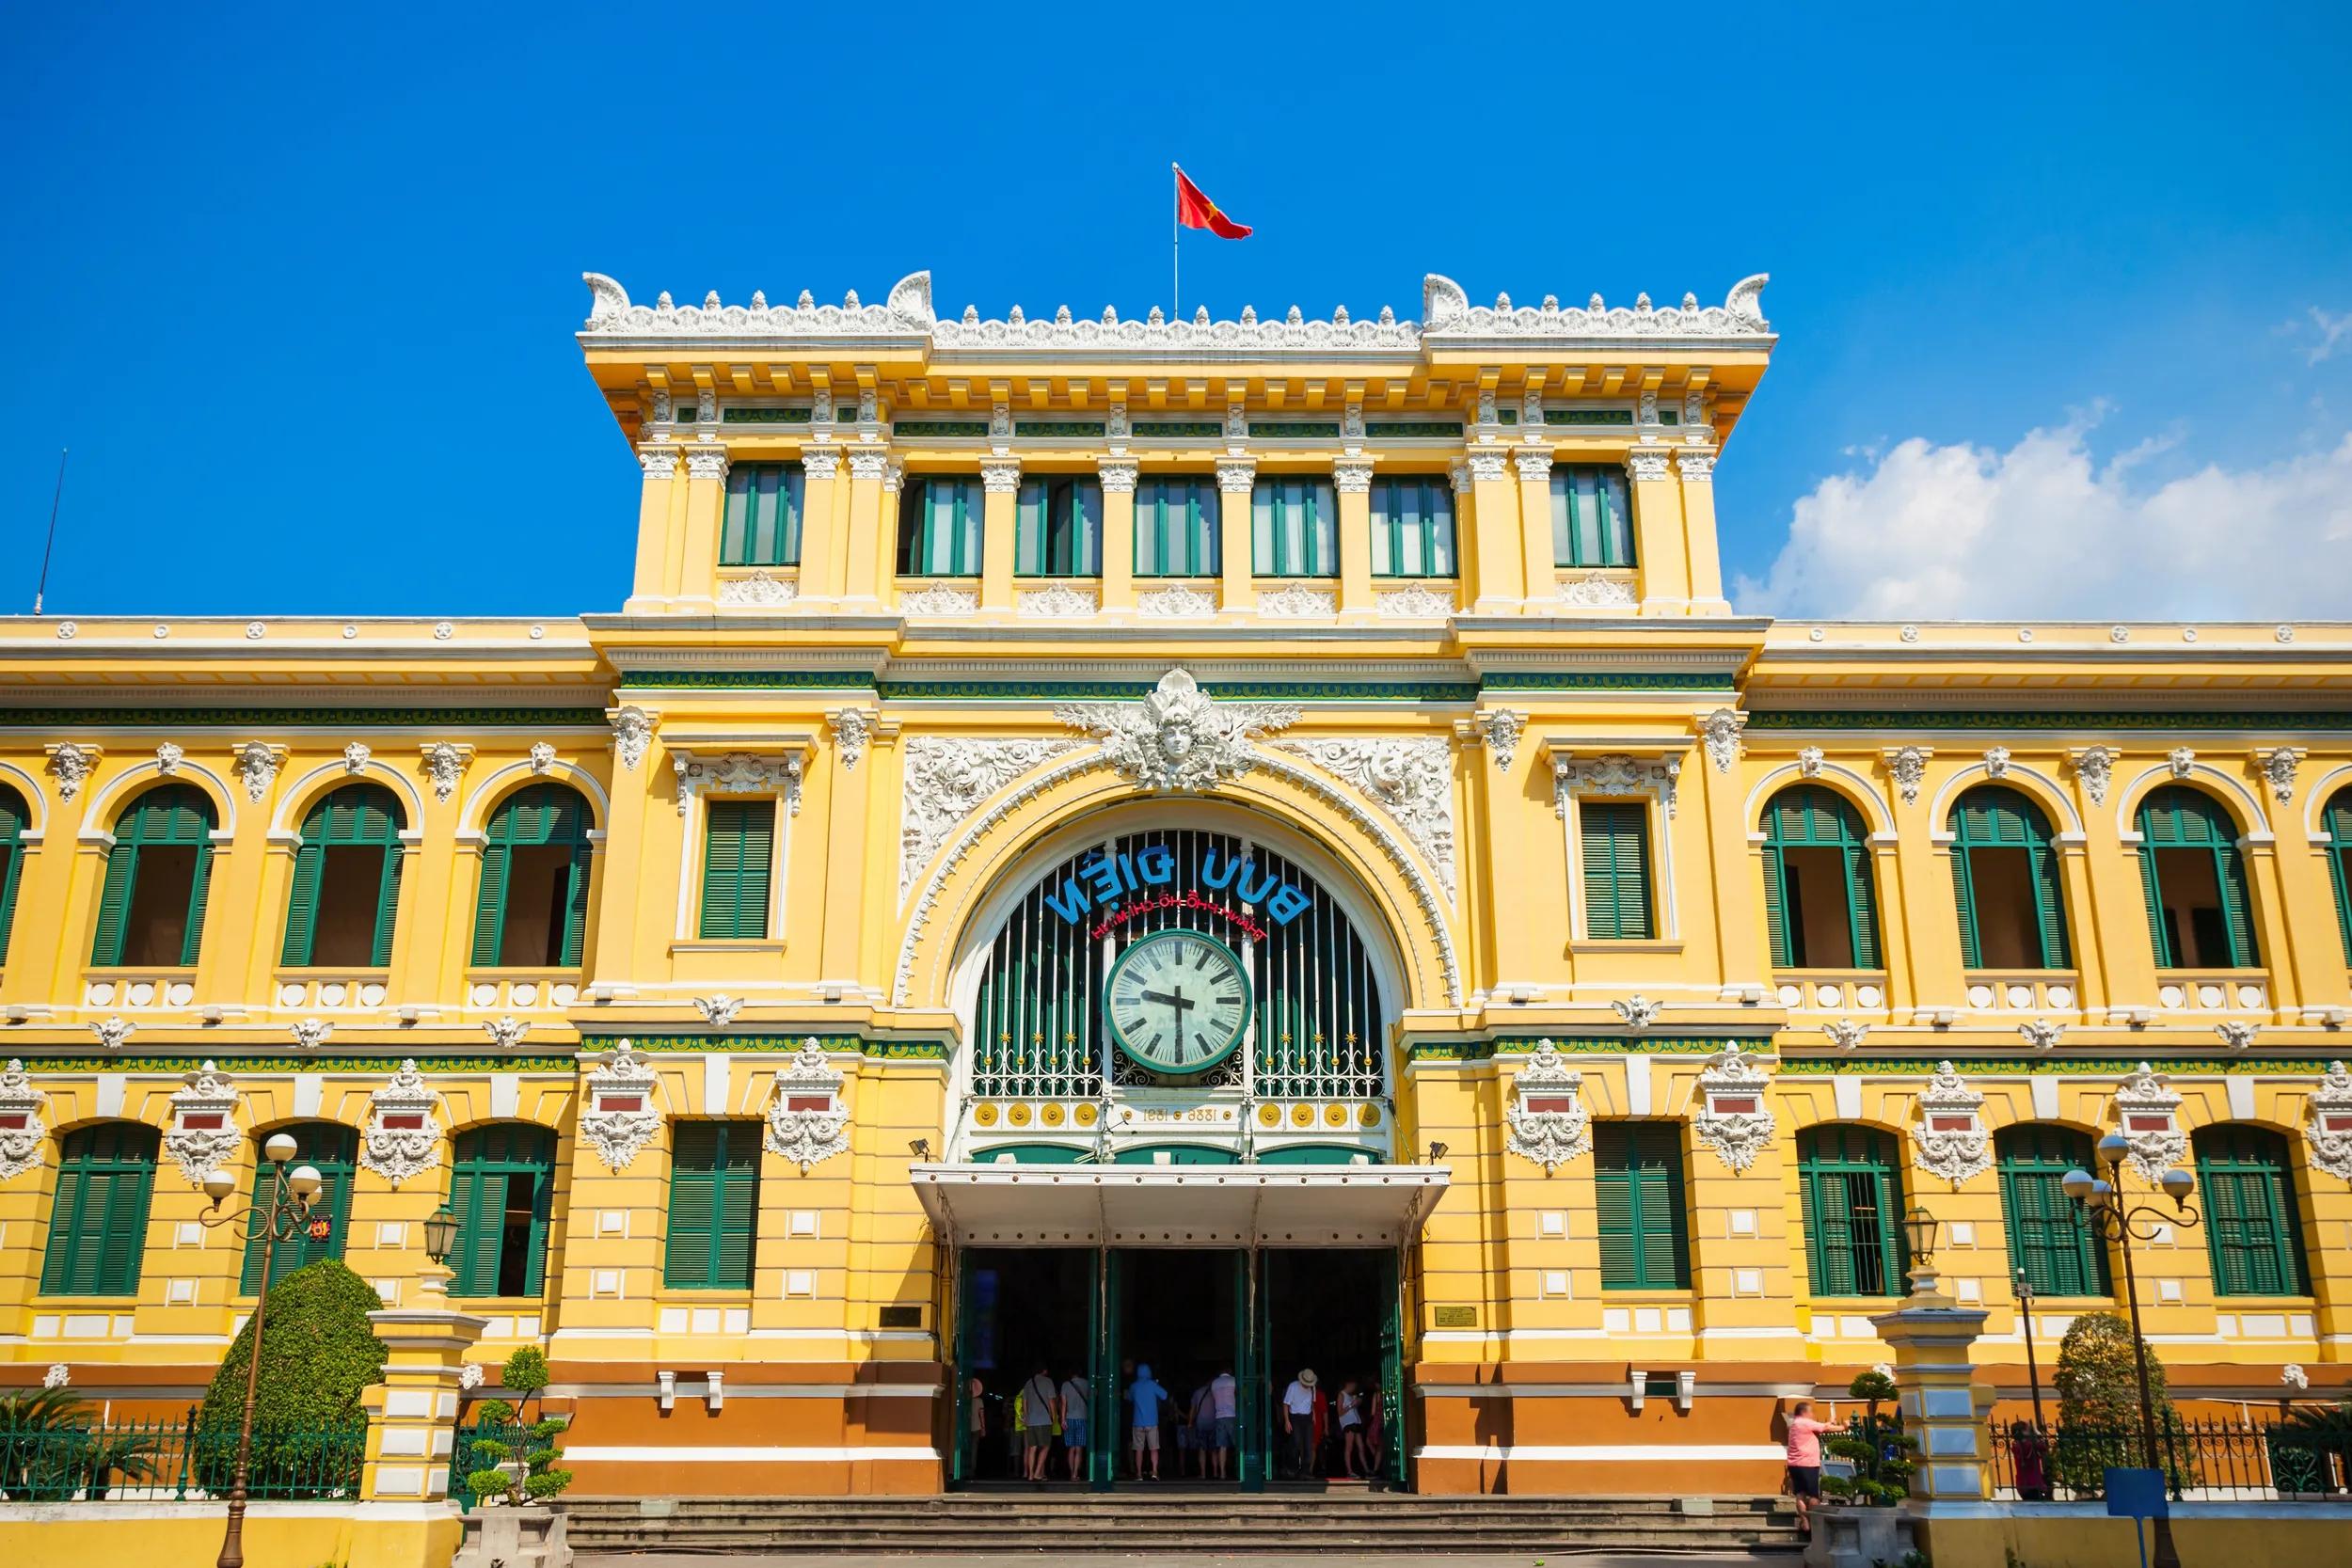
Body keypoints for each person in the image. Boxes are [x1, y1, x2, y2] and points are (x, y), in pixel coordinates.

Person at [1783, 1400, 1836, 1538]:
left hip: (1794, 1464)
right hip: (1808, 1464)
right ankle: (1814, 1522)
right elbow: (1825, 1428)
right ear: (1804, 1412)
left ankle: (1805, 1521)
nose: (1812, 1414)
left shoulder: (1794, 1424)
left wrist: (1828, 1423)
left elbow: (1819, 1429)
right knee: (1813, 1495)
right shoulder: (1805, 1422)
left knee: (1800, 1494)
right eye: (1811, 1411)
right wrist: (1844, 1427)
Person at [1020, 1362, 1060, 1483]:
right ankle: (1038, 1472)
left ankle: (1031, 1475)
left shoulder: (1028, 1383)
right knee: (1046, 1446)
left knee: (1032, 1448)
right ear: (1044, 1371)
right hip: (1044, 1419)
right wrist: (1053, 1417)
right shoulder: (1048, 1382)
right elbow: (1052, 1401)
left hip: (1031, 1420)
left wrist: (1026, 1417)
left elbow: (1024, 1402)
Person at [1128, 1362, 1169, 1481]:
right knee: (1154, 1448)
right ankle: (1155, 1472)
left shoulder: (1134, 1386)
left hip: (1137, 1422)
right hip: (1152, 1422)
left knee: (1139, 1450)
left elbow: (1129, 1398)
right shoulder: (1152, 1385)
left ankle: (1139, 1474)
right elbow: (1165, 1395)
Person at [1280, 1368, 1319, 1479]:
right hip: (1295, 1416)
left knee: (1308, 1445)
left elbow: (1312, 1402)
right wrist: (1287, 1421)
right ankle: (1292, 1467)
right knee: (1296, 1442)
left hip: (1308, 1417)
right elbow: (1286, 1404)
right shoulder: (1293, 1386)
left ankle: (1305, 1471)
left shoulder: (1312, 1388)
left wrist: (1314, 1415)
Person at [1207, 1366, 1238, 1481]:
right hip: (1232, 1415)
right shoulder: (1233, 1380)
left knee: (1222, 1447)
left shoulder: (1214, 1383)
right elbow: (1238, 1395)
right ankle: (1240, 1470)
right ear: (1229, 1372)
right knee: (1237, 1444)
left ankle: (1222, 1473)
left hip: (1219, 1416)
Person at [1059, 1370, 1090, 1482]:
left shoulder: (1065, 1385)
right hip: (1082, 1418)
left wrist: (1063, 1419)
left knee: (1071, 1448)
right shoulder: (1087, 1383)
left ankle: (1071, 1473)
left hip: (1069, 1419)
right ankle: (1075, 1473)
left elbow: (1063, 1403)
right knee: (1079, 1448)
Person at [2010, 1420, 2051, 1501]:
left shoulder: (2015, 1445)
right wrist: (2036, 1432)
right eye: (2027, 1430)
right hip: (2033, 1483)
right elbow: (2044, 1447)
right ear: (2023, 1432)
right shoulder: (2029, 1444)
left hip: (2023, 1484)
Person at [1337, 1378, 1368, 1478]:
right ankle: (1349, 1471)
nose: (1354, 1386)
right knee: (1349, 1447)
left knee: (1361, 1447)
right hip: (1348, 1423)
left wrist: (1357, 1402)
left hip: (1356, 1421)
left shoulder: (1351, 1396)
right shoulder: (1341, 1395)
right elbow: (1340, 1412)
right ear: (1348, 1384)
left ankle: (1366, 1469)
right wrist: (1351, 1405)